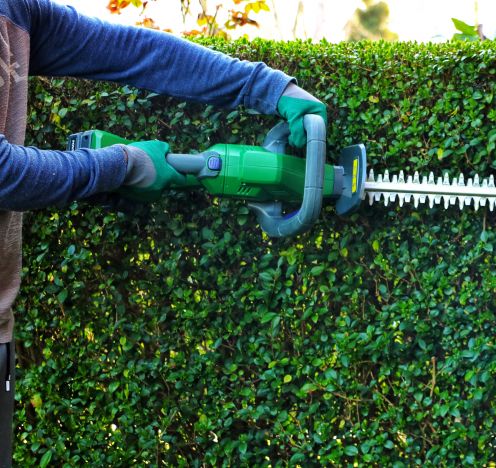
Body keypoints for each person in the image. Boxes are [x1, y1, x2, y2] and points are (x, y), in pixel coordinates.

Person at [0, 0, 326, 463]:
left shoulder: (17, 11)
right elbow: (3, 174)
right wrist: (123, 165)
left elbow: (133, 52)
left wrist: (271, 87)